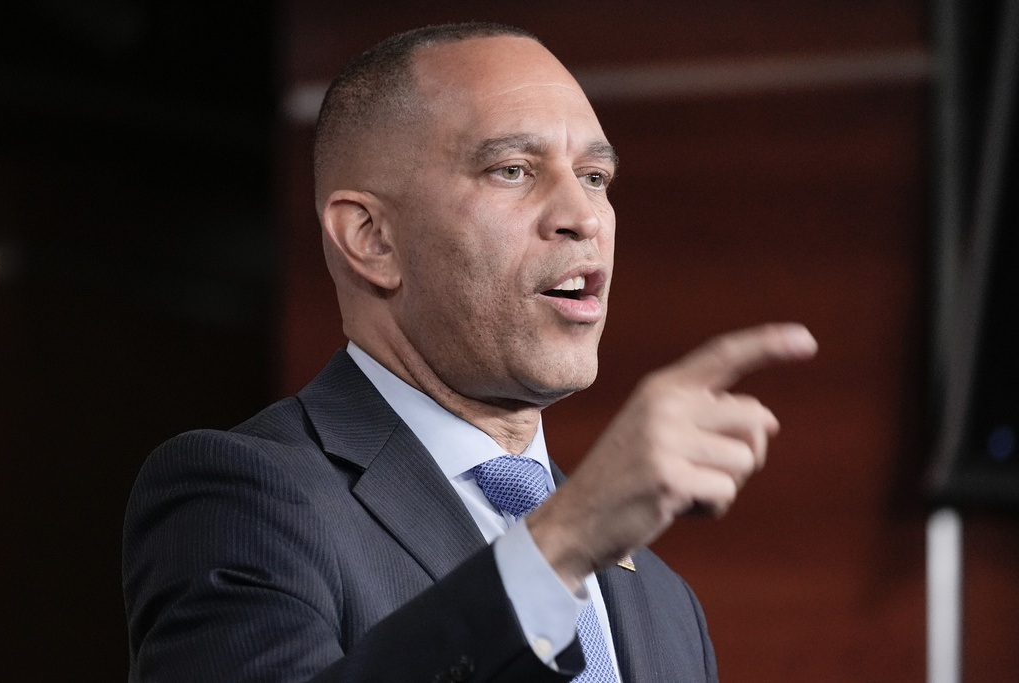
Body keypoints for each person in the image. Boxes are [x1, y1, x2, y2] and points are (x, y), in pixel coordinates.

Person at [123, 22, 817, 683]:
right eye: (512, 170)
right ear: (371, 237)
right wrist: (562, 541)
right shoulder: (241, 495)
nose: (582, 217)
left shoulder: (665, 604)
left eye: (595, 177)